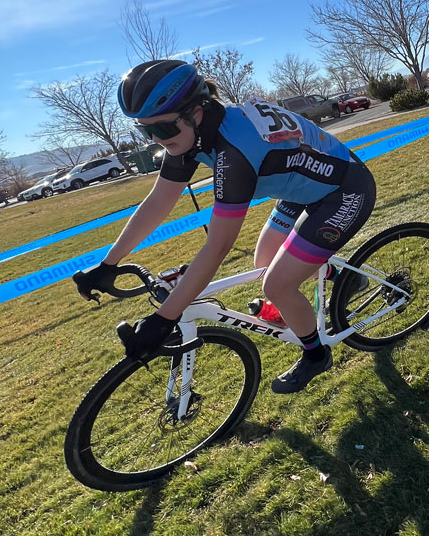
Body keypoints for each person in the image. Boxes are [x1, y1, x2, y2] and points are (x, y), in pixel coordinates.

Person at [74, 60, 376, 393]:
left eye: (162, 130)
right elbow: (157, 204)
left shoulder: (234, 153)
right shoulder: (190, 135)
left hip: (344, 191)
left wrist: (164, 319)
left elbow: (218, 247)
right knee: (264, 263)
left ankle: (316, 355)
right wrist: (107, 265)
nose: (158, 140)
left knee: (276, 286)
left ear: (196, 113)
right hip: (302, 189)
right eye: (146, 131)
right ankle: (343, 275)